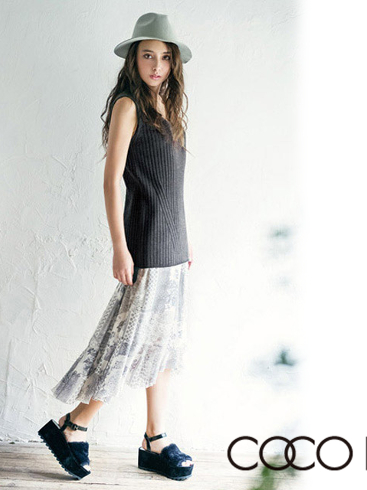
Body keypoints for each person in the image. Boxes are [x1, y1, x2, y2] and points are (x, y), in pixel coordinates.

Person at [38, 13, 195, 481]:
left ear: (173, 64)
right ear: (134, 59)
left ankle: (154, 439)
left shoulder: (168, 108)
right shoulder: (129, 105)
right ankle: (74, 424)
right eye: (148, 55)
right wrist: (119, 247)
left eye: (165, 57)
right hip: (144, 242)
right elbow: (112, 181)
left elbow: (172, 187)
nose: (157, 65)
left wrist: (184, 242)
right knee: (129, 343)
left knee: (163, 346)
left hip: (173, 244)